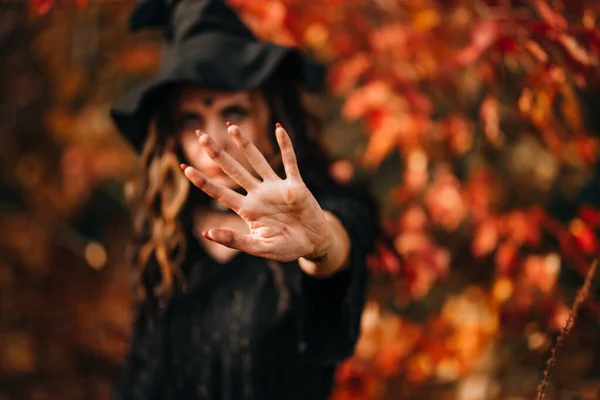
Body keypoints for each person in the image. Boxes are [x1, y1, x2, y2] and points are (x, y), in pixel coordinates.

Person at [110, 0, 378, 399]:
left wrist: (321, 244)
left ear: (271, 113)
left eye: (233, 112)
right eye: (192, 120)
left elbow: (338, 242)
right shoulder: (166, 235)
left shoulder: (321, 207)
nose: (212, 139)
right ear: (171, 134)